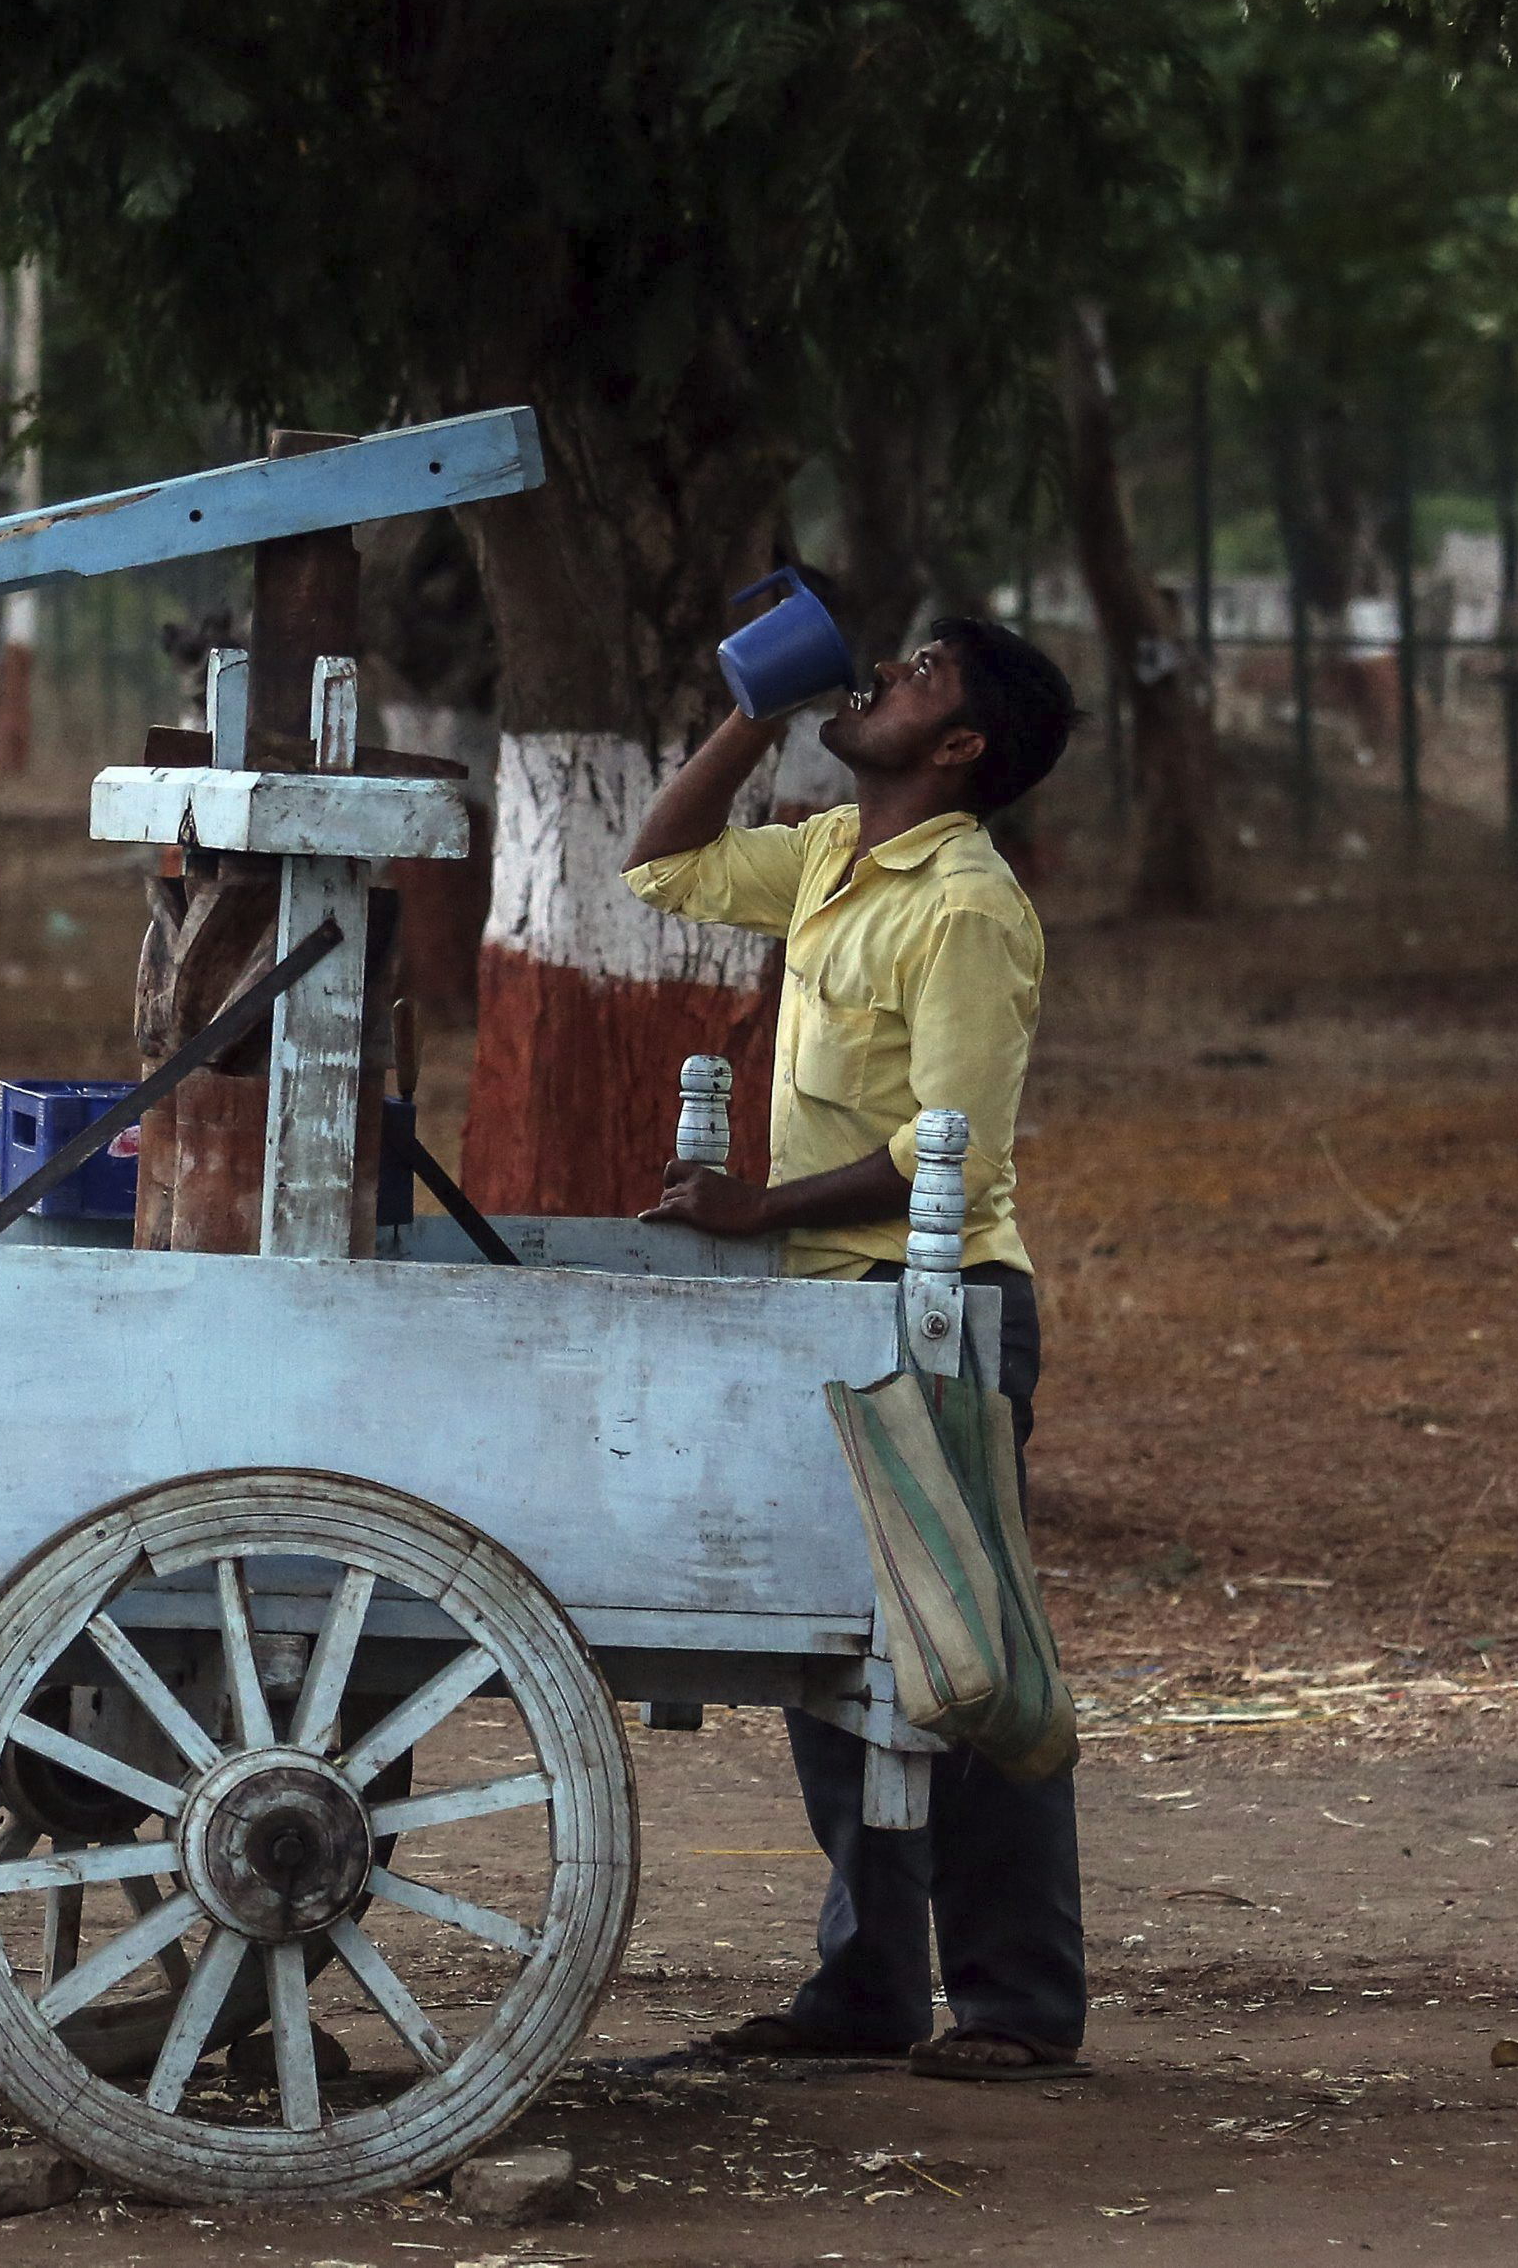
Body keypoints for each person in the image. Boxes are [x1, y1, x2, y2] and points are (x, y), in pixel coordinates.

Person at [622, 613, 1085, 2081]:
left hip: (937, 1304)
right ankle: (869, 1984)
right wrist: (753, 707)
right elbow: (663, 861)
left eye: (928, 671)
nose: (887, 669)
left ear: (961, 750)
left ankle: (1017, 2003)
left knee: (962, 1650)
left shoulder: (964, 908)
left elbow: (946, 1146)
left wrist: (759, 1203)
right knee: (839, 1648)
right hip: (828, 1303)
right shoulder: (832, 854)